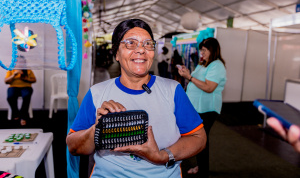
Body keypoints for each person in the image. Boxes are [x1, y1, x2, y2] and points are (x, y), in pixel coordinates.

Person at [66, 19, 207, 177]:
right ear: (117, 53)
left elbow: (198, 137)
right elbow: (73, 147)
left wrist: (162, 156)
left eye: (148, 44)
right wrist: (97, 129)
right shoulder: (97, 93)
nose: (141, 50)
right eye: (130, 43)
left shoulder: (172, 90)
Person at [177, 37, 227, 177]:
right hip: (198, 109)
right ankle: (201, 167)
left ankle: (203, 171)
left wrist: (189, 77)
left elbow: (209, 87)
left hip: (207, 109)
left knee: (201, 140)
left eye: (204, 50)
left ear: (212, 50)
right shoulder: (204, 64)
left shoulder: (217, 65)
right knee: (200, 140)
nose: (202, 53)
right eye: (201, 50)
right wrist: (187, 73)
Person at [4, 56, 36, 126]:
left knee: (27, 96)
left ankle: (23, 117)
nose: (20, 63)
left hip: (26, 87)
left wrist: (26, 79)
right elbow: (6, 81)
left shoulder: (28, 70)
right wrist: (14, 75)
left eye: (22, 62)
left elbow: (34, 80)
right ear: (16, 62)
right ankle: (16, 113)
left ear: (25, 63)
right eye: (19, 61)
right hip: (13, 87)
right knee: (10, 97)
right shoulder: (11, 70)